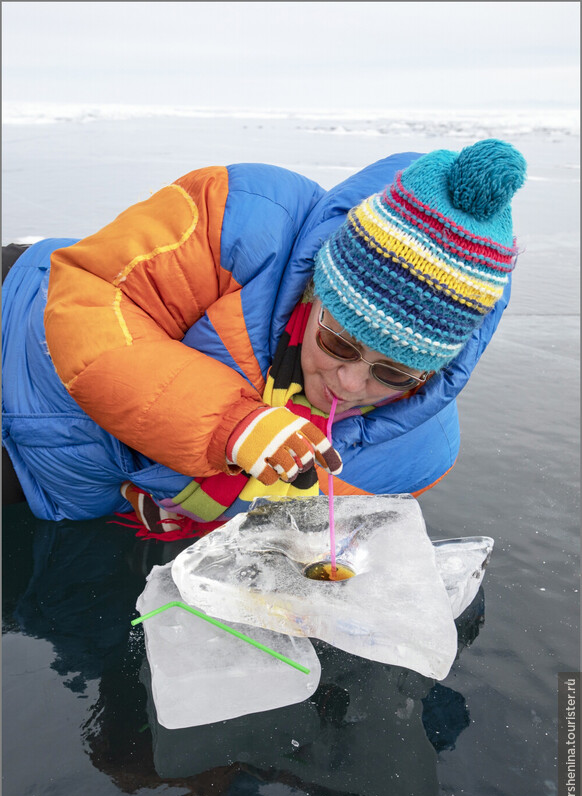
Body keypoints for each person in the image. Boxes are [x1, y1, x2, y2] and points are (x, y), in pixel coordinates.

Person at [2, 138, 526, 539]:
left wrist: (186, 510)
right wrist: (232, 424)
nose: (349, 381)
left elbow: (285, 530)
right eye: (340, 343)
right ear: (315, 291)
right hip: (18, 326)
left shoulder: (417, 453)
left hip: (52, 483)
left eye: (393, 373)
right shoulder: (240, 221)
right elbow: (89, 296)